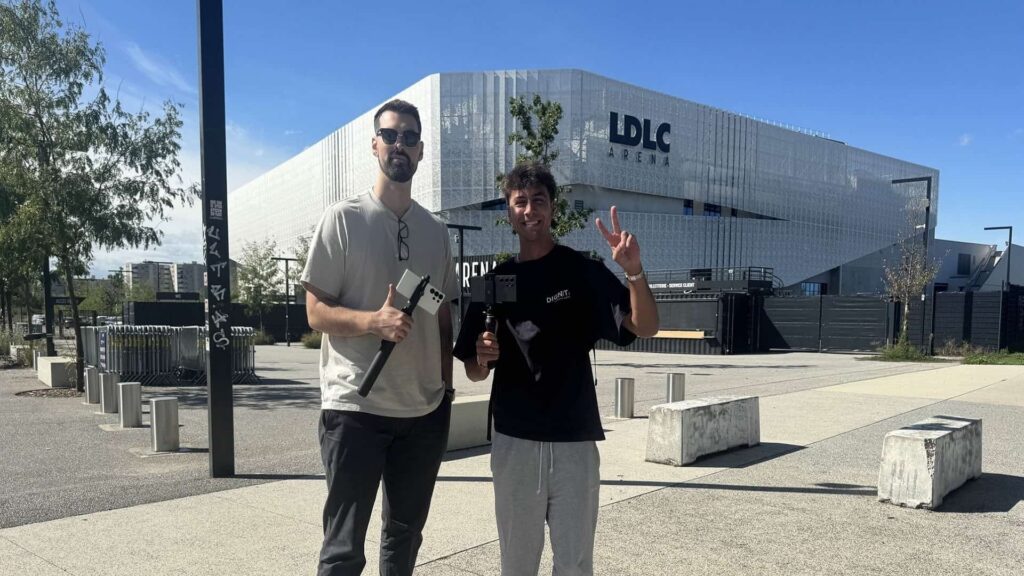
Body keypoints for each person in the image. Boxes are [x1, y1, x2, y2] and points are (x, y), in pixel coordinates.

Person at [453, 162, 659, 575]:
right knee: (517, 562)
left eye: (539, 201)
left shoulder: (582, 271)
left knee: (575, 562)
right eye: (520, 202)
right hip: (515, 440)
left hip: (574, 442)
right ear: (509, 213)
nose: (530, 210)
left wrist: (633, 270)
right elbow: (475, 373)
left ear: (552, 209)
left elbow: (646, 327)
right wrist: (481, 356)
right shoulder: (492, 282)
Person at [301, 98, 458, 576]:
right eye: (390, 135)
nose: (399, 145)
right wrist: (374, 322)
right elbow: (315, 312)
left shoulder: (435, 232)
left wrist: (446, 390)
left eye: (410, 138)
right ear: (374, 145)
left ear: (421, 151)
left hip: (424, 412)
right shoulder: (342, 220)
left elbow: (441, 312)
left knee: (404, 538)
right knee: (344, 549)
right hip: (356, 409)